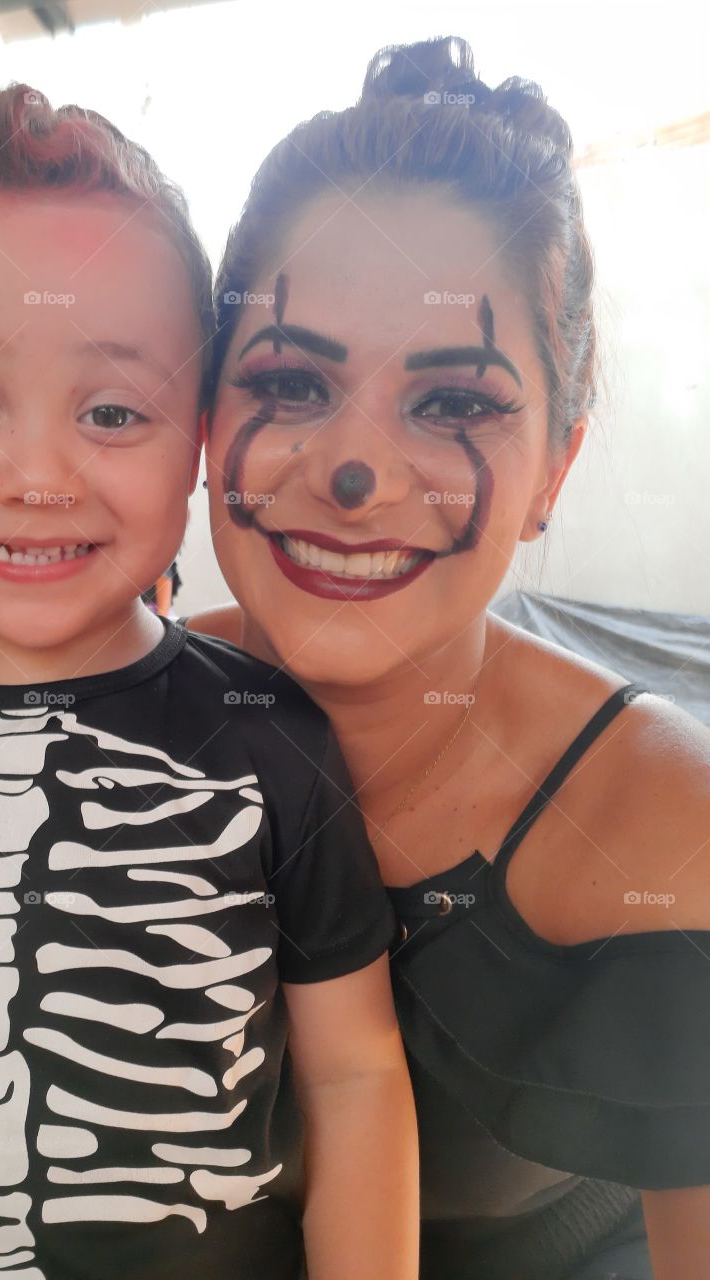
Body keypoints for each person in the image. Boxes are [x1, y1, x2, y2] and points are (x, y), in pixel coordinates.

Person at [0, 77, 419, 1280]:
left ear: (201, 439)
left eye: (115, 410)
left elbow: (357, 1068)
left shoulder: (269, 734)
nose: (42, 476)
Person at [185, 35, 710, 1280]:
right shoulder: (110, 712)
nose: (352, 473)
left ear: (555, 472)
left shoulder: (663, 821)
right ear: (206, 418)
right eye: (291, 379)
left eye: (455, 402)